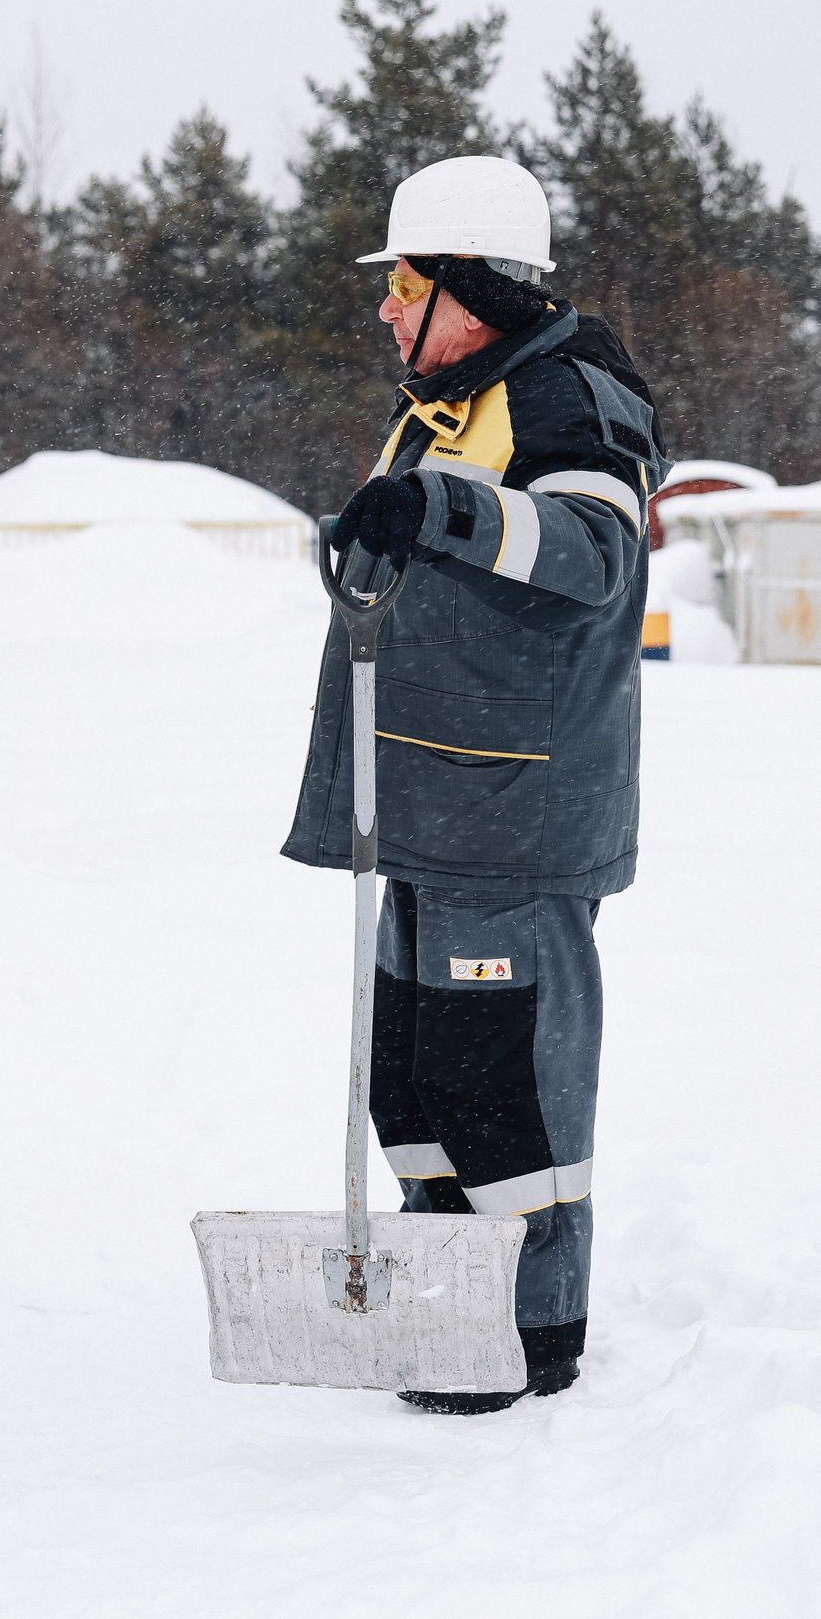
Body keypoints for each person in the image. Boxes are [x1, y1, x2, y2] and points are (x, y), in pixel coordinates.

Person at [281, 155, 664, 1414]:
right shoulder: (453, 402)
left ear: (473, 286)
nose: (385, 310)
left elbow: (595, 549)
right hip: (433, 813)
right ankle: (447, 1309)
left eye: (402, 284)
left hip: (516, 819)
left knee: (507, 1088)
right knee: (419, 1080)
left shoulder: (566, 397)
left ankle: (527, 1331)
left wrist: (436, 510)